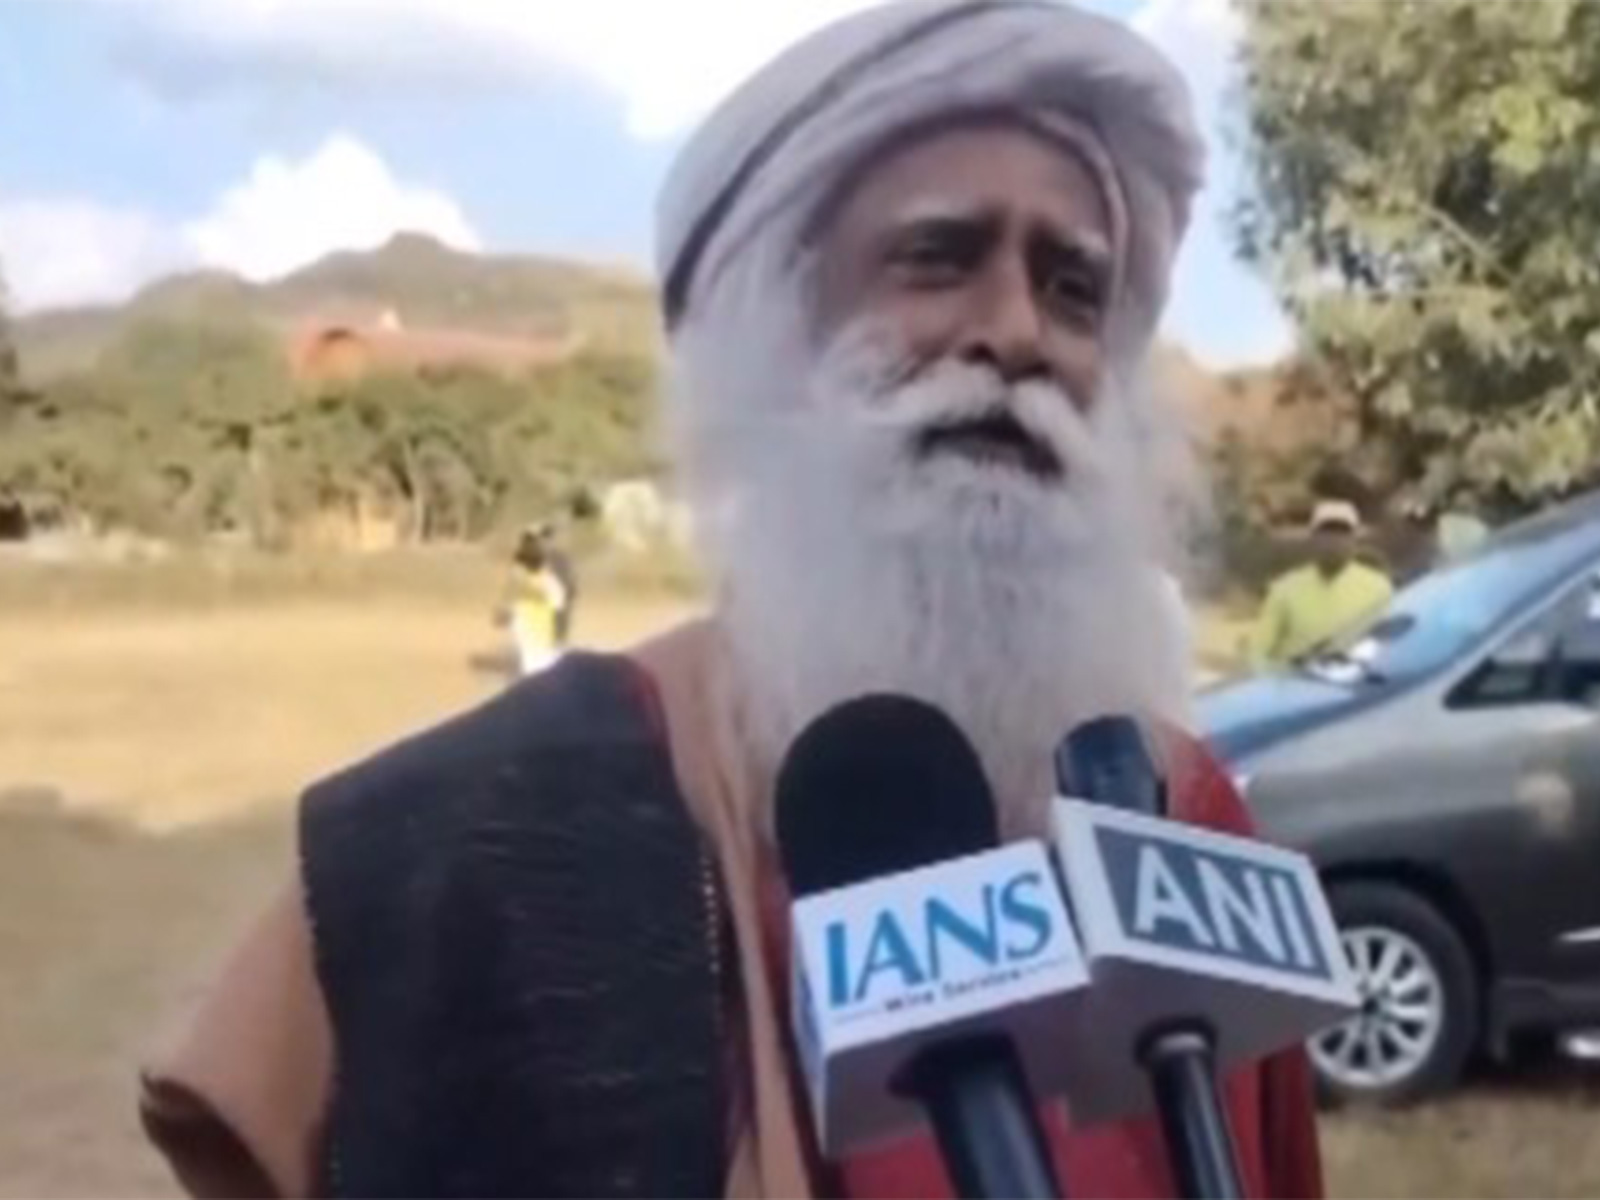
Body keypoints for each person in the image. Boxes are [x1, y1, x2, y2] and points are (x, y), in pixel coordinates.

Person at [138, 4, 1323, 1196]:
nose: (1018, 333)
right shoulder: (468, 841)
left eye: (1072, 289)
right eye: (938, 256)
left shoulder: (1178, 812)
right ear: (782, 331)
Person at [1250, 500, 1394, 669]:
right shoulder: (1285, 589)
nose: (1334, 541)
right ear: (1313, 539)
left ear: (1354, 539)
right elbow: (1258, 653)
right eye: (1326, 533)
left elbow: (1389, 647)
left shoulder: (1379, 588)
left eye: (1342, 533)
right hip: (1296, 681)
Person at [499, 525, 571, 675]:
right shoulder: (545, 576)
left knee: (535, 660)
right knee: (539, 660)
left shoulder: (545, 568)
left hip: (533, 627)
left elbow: (512, 590)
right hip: (537, 628)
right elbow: (559, 599)